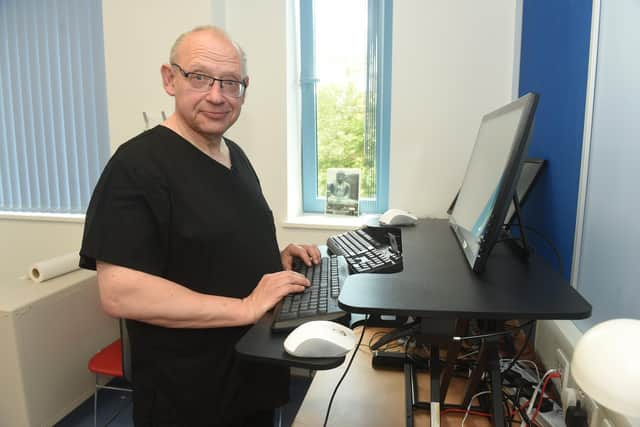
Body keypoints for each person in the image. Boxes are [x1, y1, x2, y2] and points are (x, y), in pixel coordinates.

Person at [80, 26, 321, 426]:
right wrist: (246, 306)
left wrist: (276, 263)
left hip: (252, 379)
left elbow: (209, 249)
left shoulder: (234, 155)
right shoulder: (136, 166)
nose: (216, 95)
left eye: (230, 83)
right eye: (199, 77)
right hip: (192, 397)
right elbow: (121, 292)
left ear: (244, 88)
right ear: (169, 79)